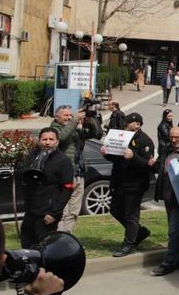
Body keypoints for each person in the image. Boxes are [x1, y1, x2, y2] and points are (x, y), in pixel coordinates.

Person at [102, 113, 155, 257]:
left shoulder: (144, 141)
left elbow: (148, 165)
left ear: (137, 124)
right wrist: (106, 153)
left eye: (128, 123)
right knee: (115, 210)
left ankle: (129, 244)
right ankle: (139, 232)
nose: (124, 125)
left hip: (135, 184)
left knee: (131, 215)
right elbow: (115, 158)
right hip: (120, 181)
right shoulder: (123, 137)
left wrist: (133, 157)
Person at [151, 126, 179, 277]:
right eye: (172, 137)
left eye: (177, 137)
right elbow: (160, 166)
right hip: (168, 195)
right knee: (177, 231)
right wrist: (153, 163)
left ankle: (168, 263)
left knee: (173, 230)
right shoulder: (166, 149)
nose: (174, 140)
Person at [20, 127, 75, 248]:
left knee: (43, 247)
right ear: (39, 141)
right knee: (27, 245)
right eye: (44, 139)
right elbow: (24, 175)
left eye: (51, 139)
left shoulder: (63, 160)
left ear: (57, 142)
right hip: (31, 210)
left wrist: (54, 213)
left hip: (48, 213)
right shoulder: (32, 156)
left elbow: (67, 188)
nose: (47, 142)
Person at [51, 104, 101, 233]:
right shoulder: (54, 129)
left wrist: (90, 121)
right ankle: (58, 236)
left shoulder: (74, 128)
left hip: (78, 173)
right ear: (56, 117)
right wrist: (74, 120)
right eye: (66, 115)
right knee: (63, 209)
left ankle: (68, 235)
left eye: (70, 115)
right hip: (64, 174)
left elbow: (96, 134)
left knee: (74, 210)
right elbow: (61, 137)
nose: (69, 117)